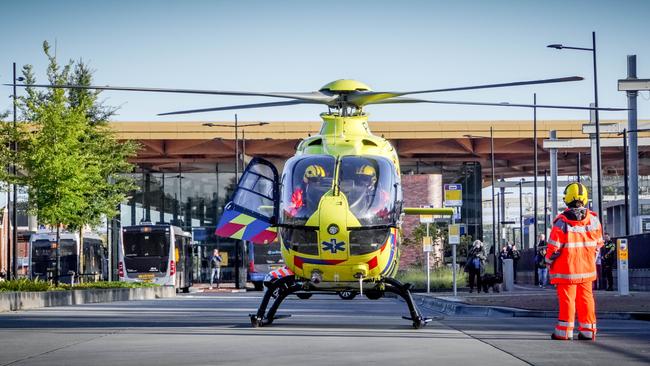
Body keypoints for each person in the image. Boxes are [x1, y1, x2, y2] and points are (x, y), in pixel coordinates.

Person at [546, 182, 603, 341]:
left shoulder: (561, 222)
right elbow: (599, 244)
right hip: (587, 269)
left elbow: (553, 248)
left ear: (567, 199)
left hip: (567, 270)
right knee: (586, 299)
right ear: (584, 199)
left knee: (567, 300)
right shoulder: (594, 220)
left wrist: (547, 261)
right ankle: (588, 331)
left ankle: (564, 332)